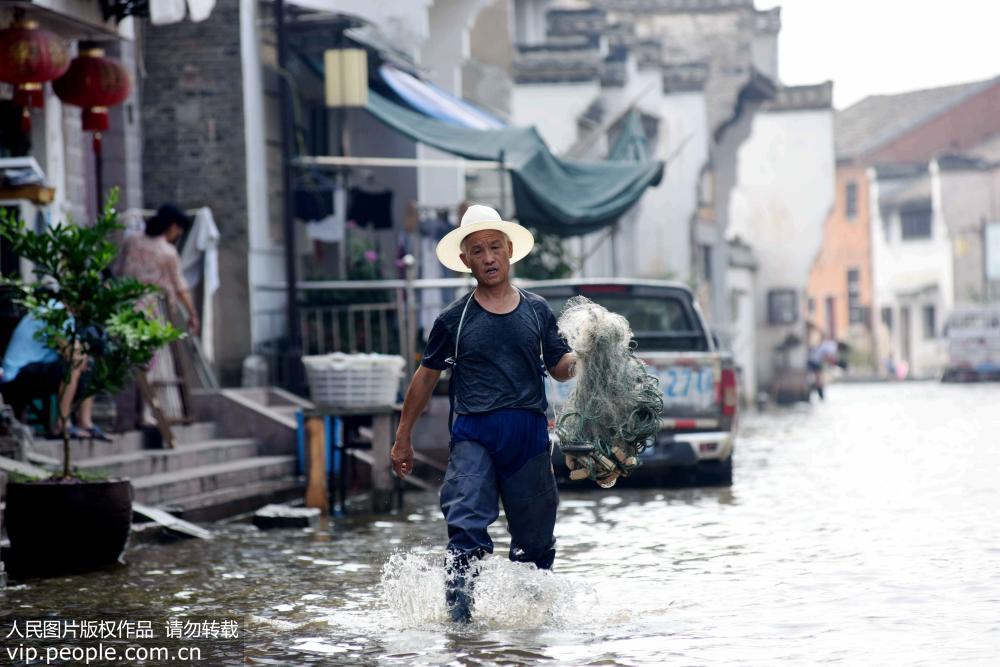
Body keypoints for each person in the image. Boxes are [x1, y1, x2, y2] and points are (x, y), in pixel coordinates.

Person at [390, 204, 576, 624]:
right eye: (478, 250)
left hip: (528, 435)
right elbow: (424, 379)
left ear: (510, 250)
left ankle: (533, 629)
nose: (488, 257)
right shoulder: (453, 320)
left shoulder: (537, 309)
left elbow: (559, 366)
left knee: (535, 542)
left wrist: (586, 357)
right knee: (466, 528)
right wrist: (403, 437)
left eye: (495, 247)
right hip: (474, 435)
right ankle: (460, 625)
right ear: (465, 260)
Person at [0, 311, 109, 440]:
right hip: (14, 377)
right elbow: (74, 355)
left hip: (34, 368)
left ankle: (85, 422)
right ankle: (62, 425)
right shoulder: (53, 311)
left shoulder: (62, 312)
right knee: (72, 367)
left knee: (87, 366)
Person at [116, 203, 200, 336]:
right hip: (153, 311)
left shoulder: (131, 240)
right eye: (179, 231)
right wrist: (193, 315)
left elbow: (119, 271)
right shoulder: (168, 252)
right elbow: (181, 288)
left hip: (124, 306)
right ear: (172, 227)